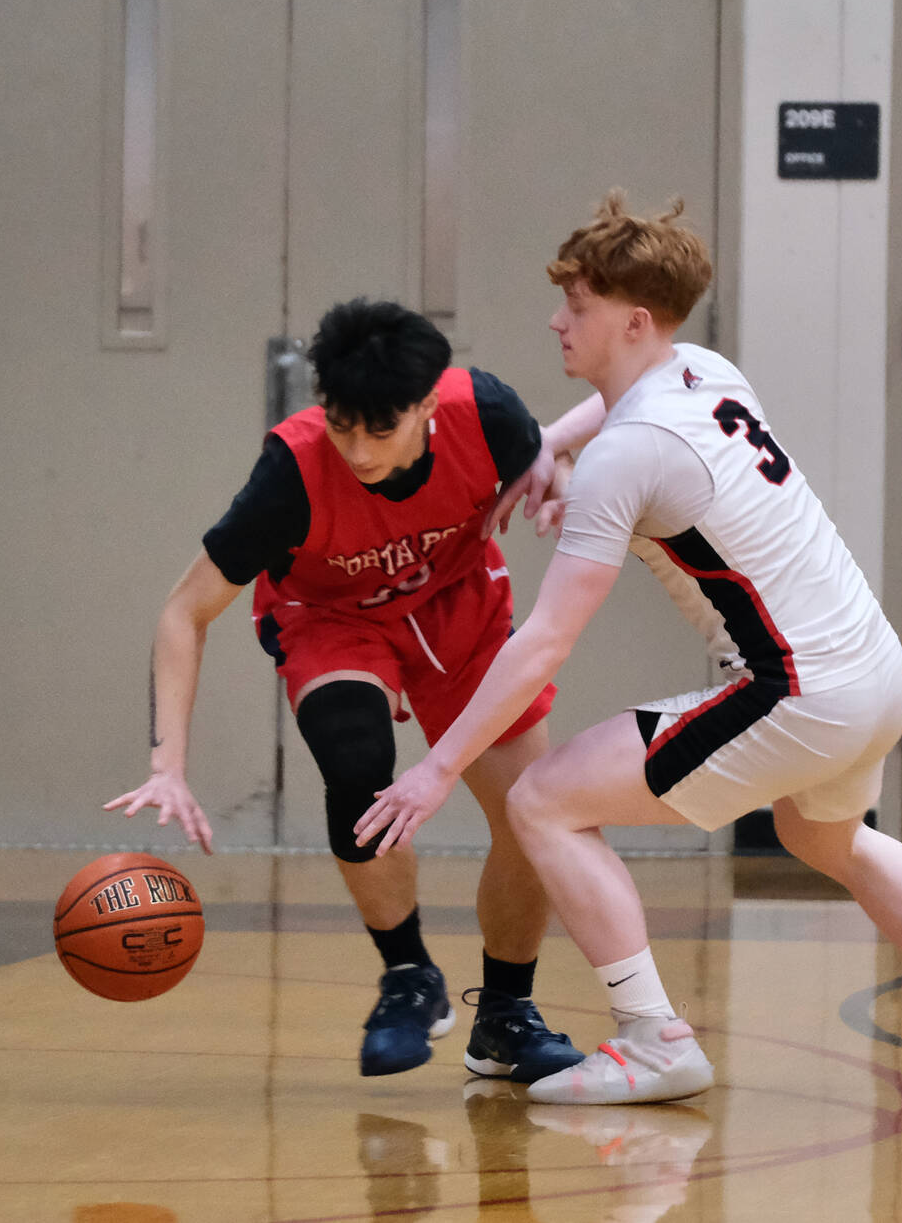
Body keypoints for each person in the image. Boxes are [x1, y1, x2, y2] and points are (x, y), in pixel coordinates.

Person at [356, 191, 902, 1104]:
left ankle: (655, 1041)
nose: (557, 320)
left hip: (796, 692)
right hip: (876, 673)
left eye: (577, 306)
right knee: (825, 833)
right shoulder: (704, 370)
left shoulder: (629, 454)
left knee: (541, 801)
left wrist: (437, 769)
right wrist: (549, 448)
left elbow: (546, 641)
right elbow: (612, 417)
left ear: (633, 320)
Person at [107, 298, 585, 1083]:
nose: (358, 449)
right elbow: (183, 610)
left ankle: (504, 1014)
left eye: (380, 429)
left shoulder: (488, 412)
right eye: (342, 425)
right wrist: (168, 762)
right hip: (334, 617)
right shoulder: (290, 474)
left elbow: (548, 451)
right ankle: (409, 976)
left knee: (531, 812)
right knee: (354, 758)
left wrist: (556, 473)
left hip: (456, 605)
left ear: (430, 403)